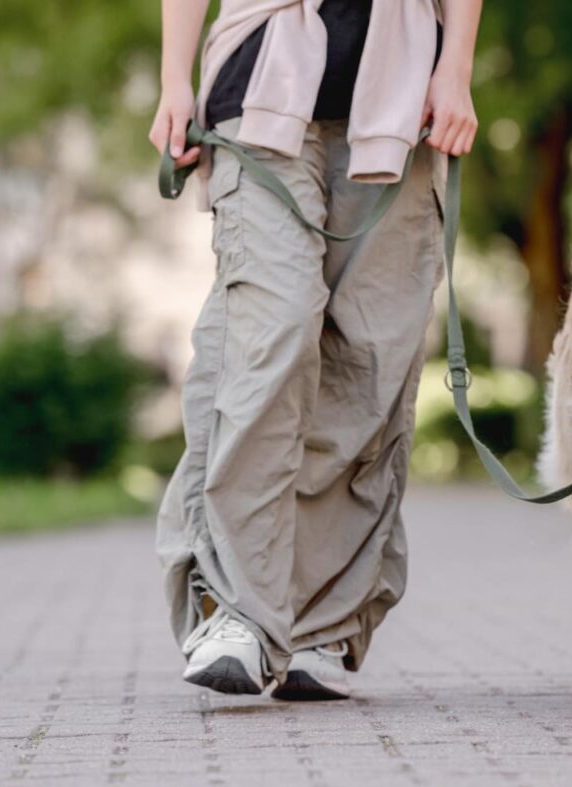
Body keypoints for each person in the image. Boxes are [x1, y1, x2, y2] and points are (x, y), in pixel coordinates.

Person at [149, 0, 480, 701]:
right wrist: (174, 80)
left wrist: (457, 71)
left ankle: (321, 619)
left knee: (369, 357)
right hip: (262, 76)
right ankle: (231, 605)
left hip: (403, 85)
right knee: (270, 331)